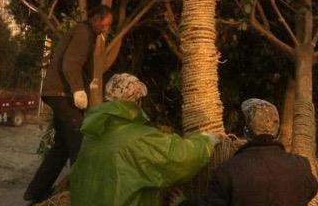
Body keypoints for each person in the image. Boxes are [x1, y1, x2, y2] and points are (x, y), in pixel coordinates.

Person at [69, 72, 217, 206]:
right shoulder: (138, 138)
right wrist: (205, 141)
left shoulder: (91, 137)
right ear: (136, 102)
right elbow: (179, 157)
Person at [23, 4, 113, 204]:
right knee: (78, 141)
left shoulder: (88, 33)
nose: (107, 28)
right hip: (62, 93)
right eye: (106, 23)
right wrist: (78, 90)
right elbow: (71, 63)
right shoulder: (84, 32)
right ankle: (84, 194)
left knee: (62, 147)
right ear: (96, 18)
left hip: (59, 92)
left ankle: (36, 193)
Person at [170, 98, 318, 206]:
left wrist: (183, 203)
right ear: (276, 131)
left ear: (246, 131)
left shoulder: (228, 171)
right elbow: (312, 189)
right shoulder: (301, 166)